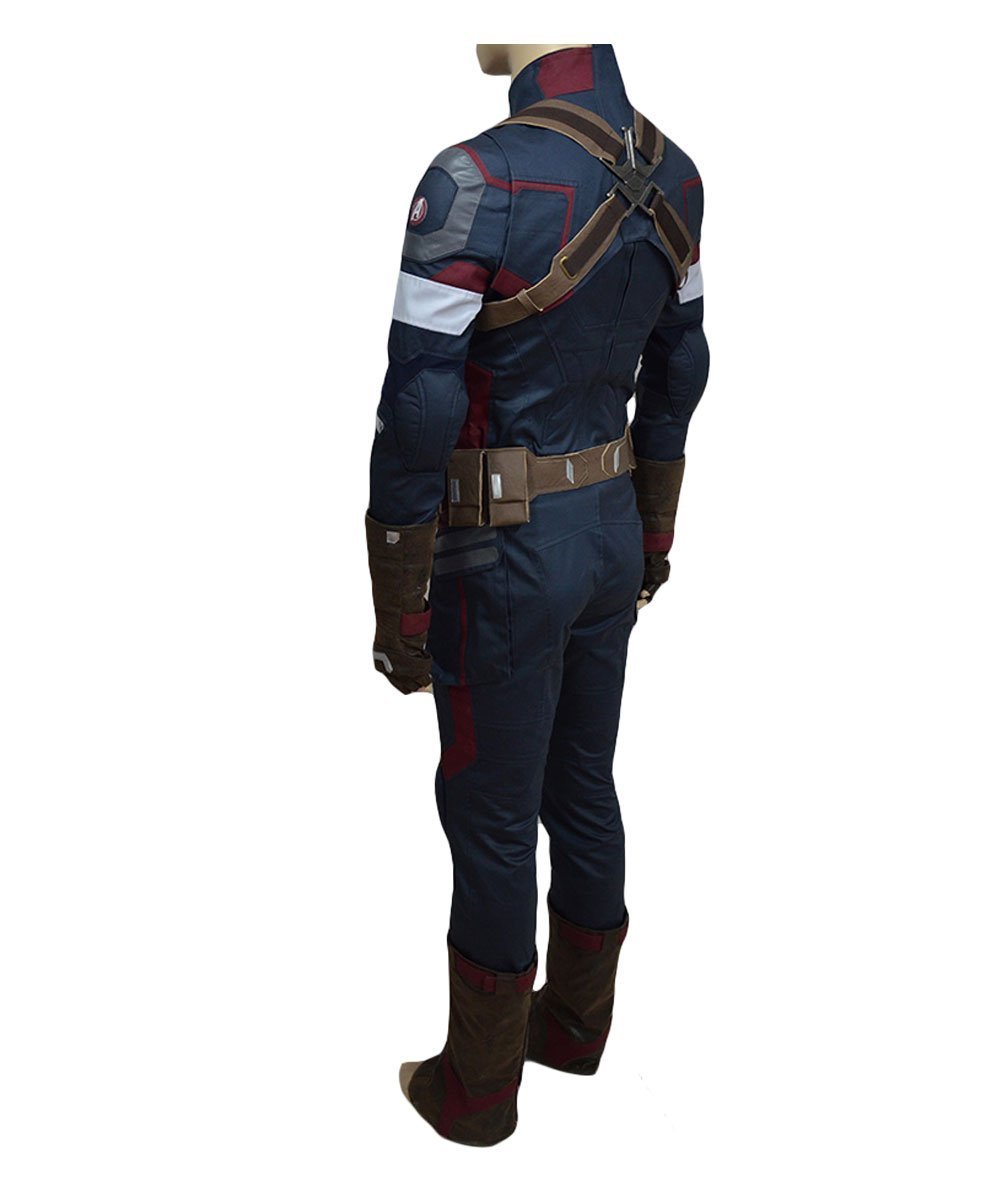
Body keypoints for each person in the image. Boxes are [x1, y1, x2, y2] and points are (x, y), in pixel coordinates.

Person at [365, 42, 709, 1146]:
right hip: (608, 526)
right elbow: (683, 366)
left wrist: (397, 591)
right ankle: (574, 1028)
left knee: (491, 813)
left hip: (499, 551)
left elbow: (421, 404)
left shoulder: (474, 178)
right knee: (584, 782)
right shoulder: (676, 173)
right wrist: (653, 530)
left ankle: (476, 1091)